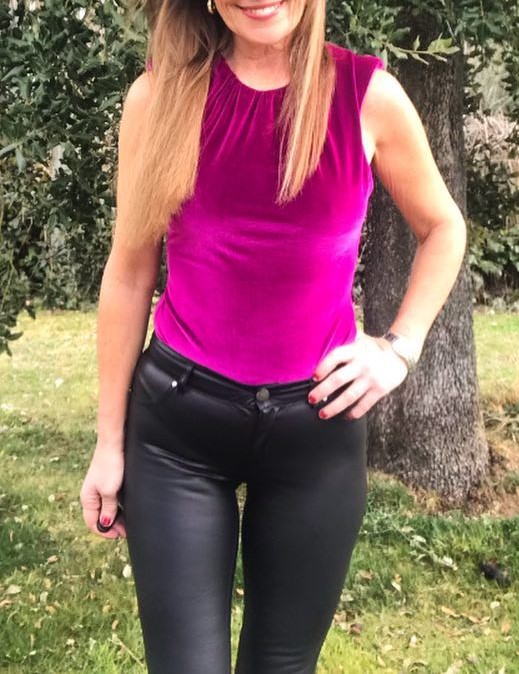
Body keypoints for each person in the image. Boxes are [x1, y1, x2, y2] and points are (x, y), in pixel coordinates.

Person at [79, 0, 467, 672]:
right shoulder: (159, 97)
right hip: (178, 434)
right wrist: (108, 443)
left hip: (315, 432)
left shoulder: (368, 96)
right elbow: (130, 272)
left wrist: (399, 350)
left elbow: (444, 227)